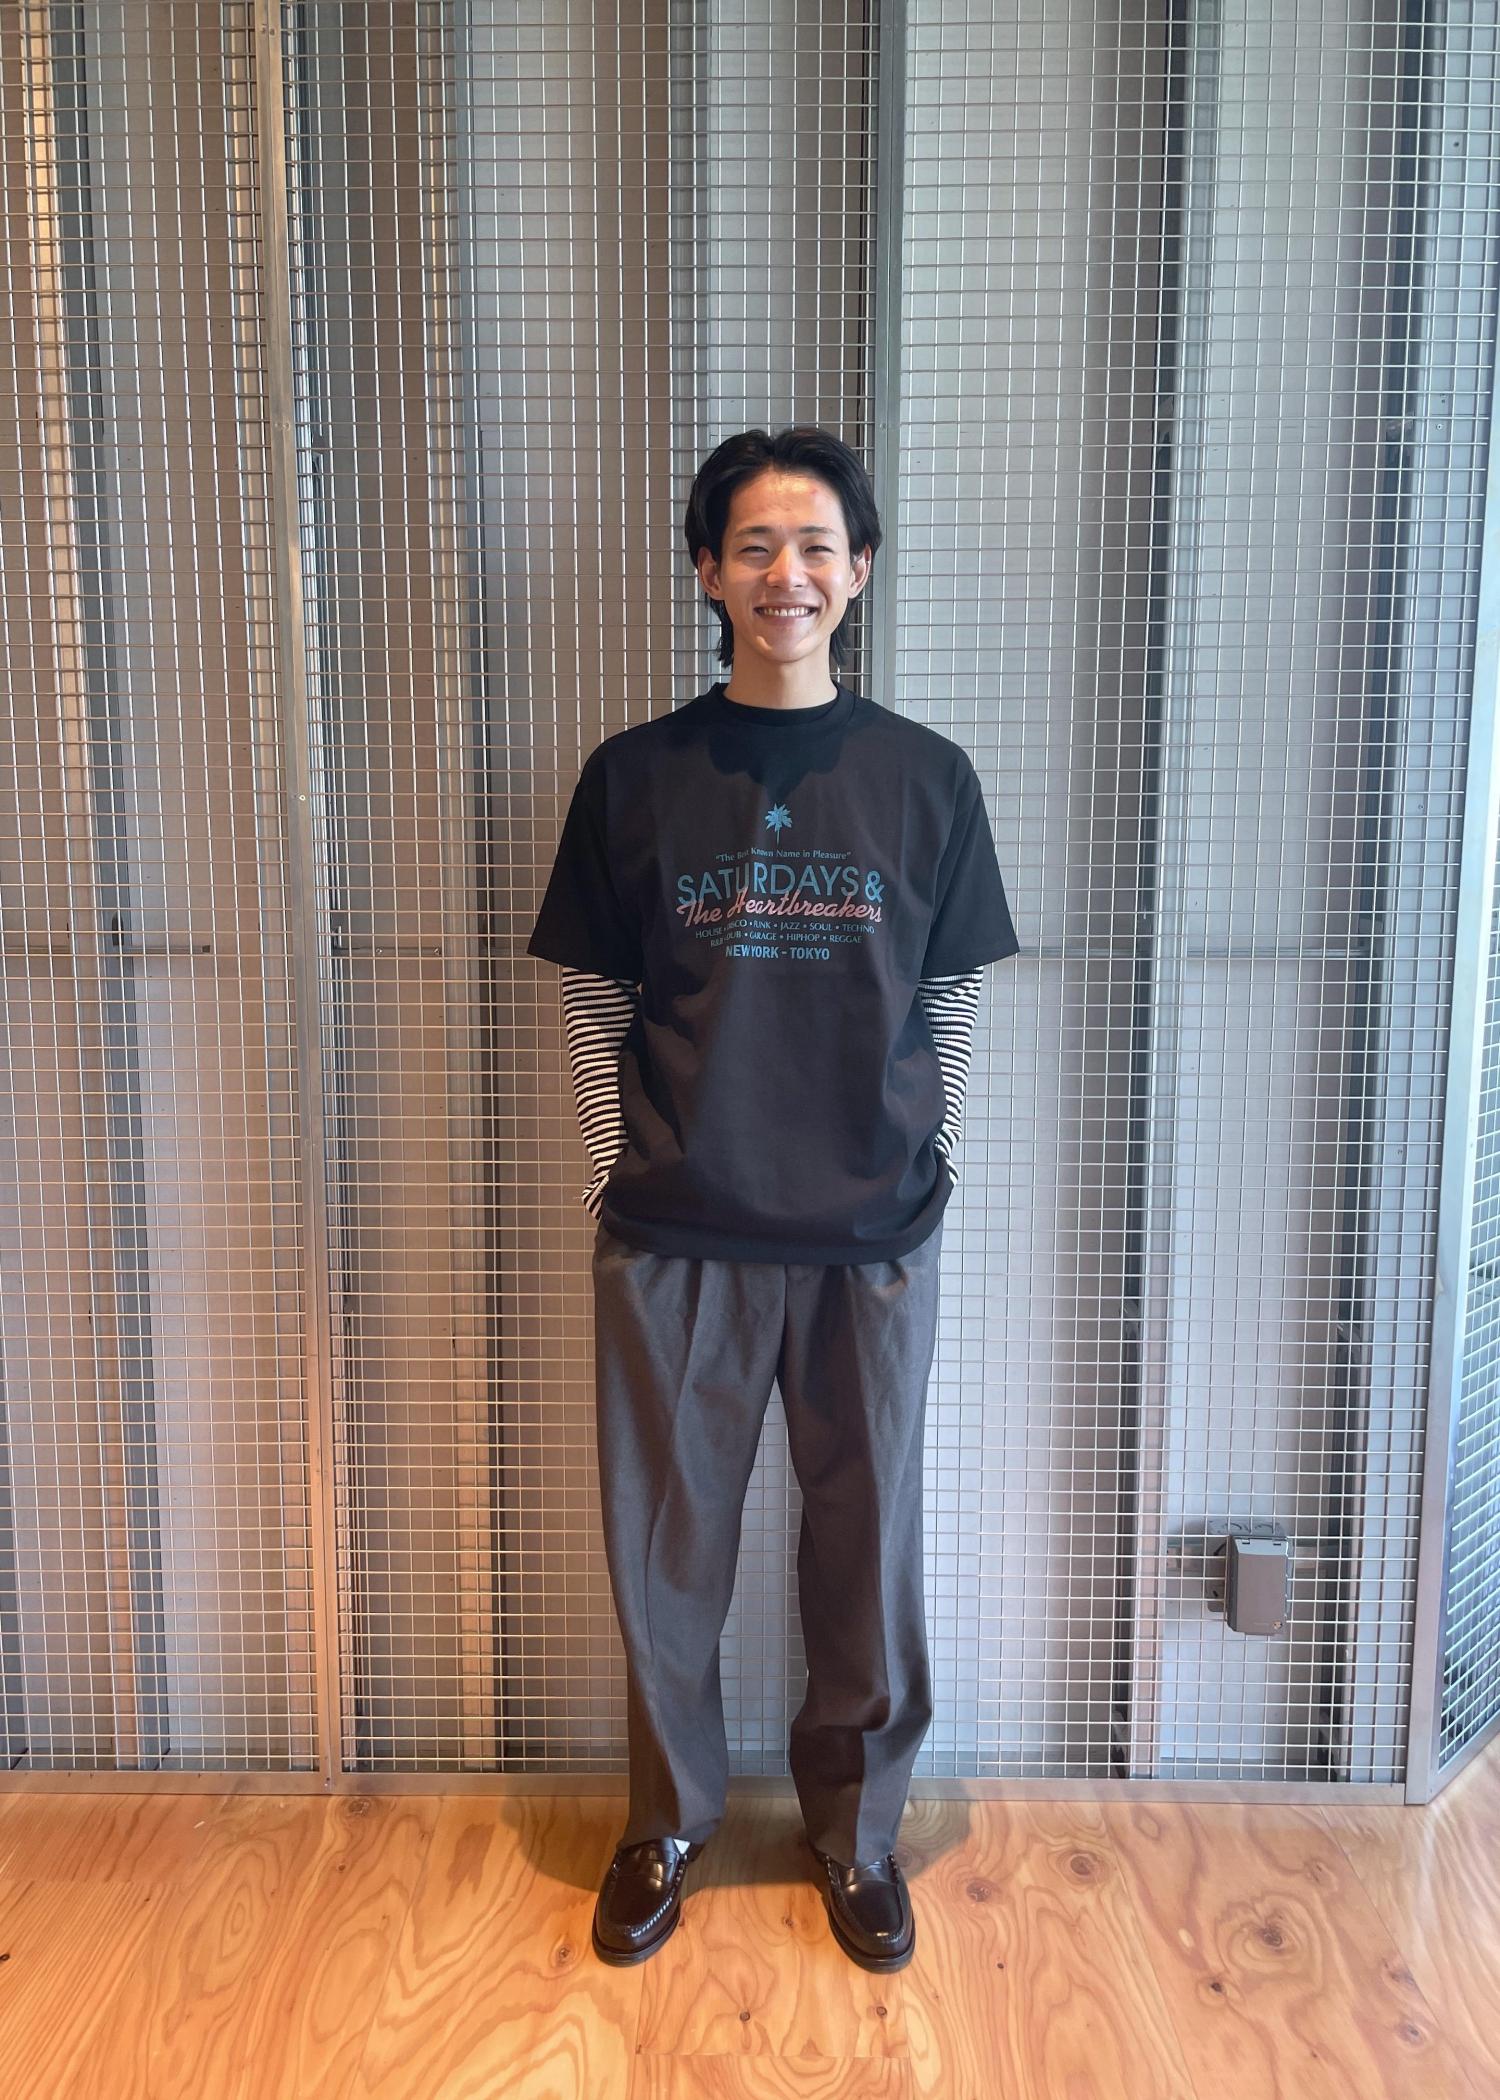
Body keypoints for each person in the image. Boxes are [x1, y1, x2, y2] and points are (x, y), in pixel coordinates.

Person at [526, 426, 1020, 1972]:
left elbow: (952, 994)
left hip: (874, 1240)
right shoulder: (636, 779)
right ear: (707, 571)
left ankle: (854, 1834)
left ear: (857, 571)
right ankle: (664, 1823)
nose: (784, 572)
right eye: (752, 544)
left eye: (814, 544)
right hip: (677, 1233)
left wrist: (930, 1164)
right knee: (664, 1551)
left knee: (867, 1548)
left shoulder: (927, 780)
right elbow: (595, 998)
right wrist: (619, 1166)